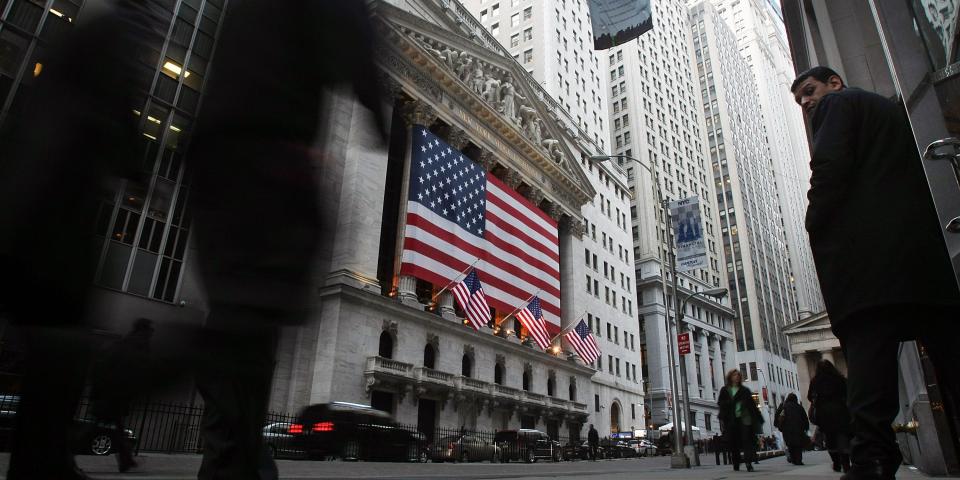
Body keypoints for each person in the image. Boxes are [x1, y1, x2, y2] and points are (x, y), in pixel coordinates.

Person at [184, 1, 385, 479]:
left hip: (216, 159)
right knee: (250, 324)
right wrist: (374, 104)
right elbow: (354, 33)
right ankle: (234, 448)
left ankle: (232, 455)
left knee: (235, 314)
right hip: (272, 160)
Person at [0, 2, 165, 478]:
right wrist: (137, 171)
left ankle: (41, 459)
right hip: (54, 200)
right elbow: (115, 103)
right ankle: (42, 461)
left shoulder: (83, 38)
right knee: (61, 339)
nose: (153, 52)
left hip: (31, 192)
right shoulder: (118, 36)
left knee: (52, 335)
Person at [791, 66, 960, 480]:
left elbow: (829, 165)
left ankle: (872, 463)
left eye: (809, 92)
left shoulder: (840, 104)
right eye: (799, 101)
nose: (807, 103)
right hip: (922, 264)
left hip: (872, 268)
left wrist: (814, 220)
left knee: (868, 372)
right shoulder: (886, 114)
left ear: (834, 83)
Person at [89, 318, 158, 472]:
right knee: (97, 427)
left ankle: (126, 459)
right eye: (149, 330)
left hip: (113, 392)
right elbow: (134, 369)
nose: (151, 334)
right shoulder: (136, 346)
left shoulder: (126, 344)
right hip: (114, 393)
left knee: (113, 427)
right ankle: (67, 450)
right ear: (143, 330)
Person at [808, 359, 852, 473]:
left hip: (824, 413)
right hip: (841, 411)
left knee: (830, 437)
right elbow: (848, 393)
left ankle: (836, 463)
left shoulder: (815, 381)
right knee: (842, 436)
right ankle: (846, 463)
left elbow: (809, 396)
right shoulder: (840, 379)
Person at [718, 369, 763, 472]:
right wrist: (730, 403)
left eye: (738, 375)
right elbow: (721, 403)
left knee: (746, 440)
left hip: (745, 418)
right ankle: (736, 462)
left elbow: (752, 405)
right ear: (730, 377)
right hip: (731, 419)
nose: (736, 377)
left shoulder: (745, 390)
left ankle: (748, 463)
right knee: (734, 442)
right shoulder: (725, 390)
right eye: (734, 375)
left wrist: (759, 418)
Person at [775, 393, 810, 465]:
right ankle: (798, 460)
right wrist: (806, 427)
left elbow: (778, 416)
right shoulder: (799, 407)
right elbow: (805, 418)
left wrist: (779, 426)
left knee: (790, 444)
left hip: (787, 430)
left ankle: (793, 458)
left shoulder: (783, 406)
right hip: (798, 429)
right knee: (798, 445)